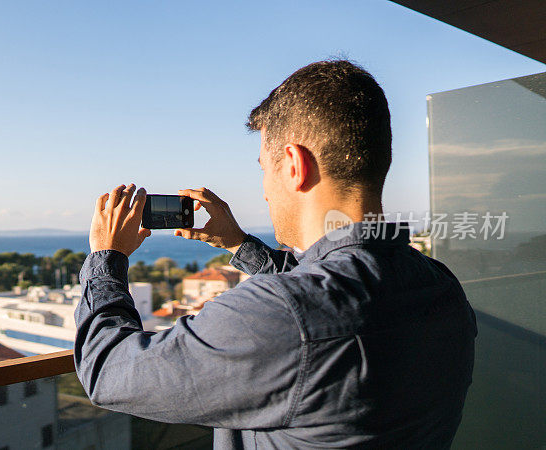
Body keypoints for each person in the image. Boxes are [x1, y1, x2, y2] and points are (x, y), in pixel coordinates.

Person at [73, 60, 476, 449]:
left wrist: (107, 258)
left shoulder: (282, 315)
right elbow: (327, 289)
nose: (264, 190)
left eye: (264, 167)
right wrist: (238, 245)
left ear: (295, 166)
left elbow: (107, 372)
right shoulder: (438, 284)